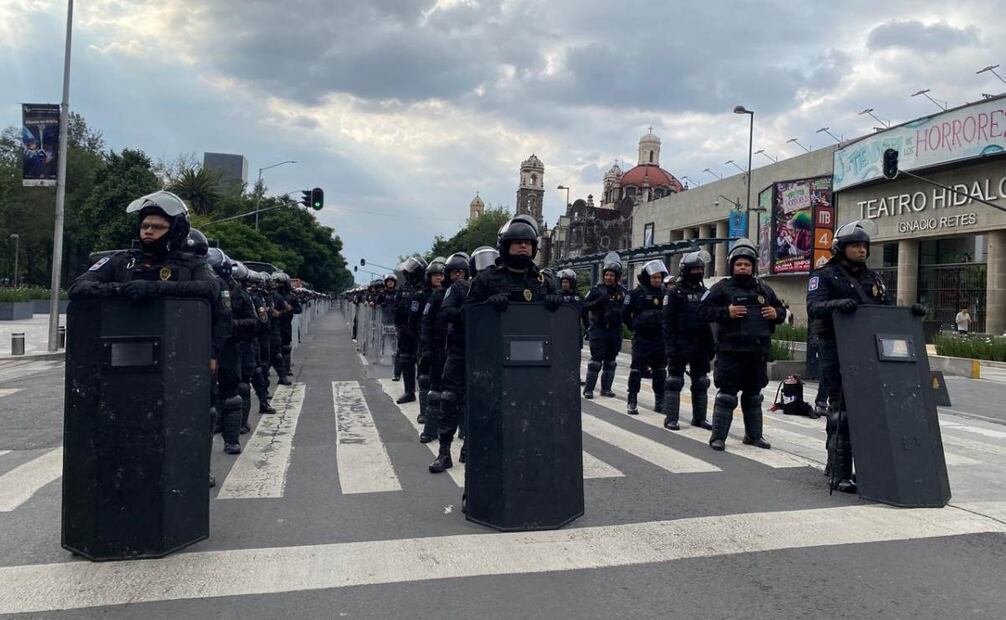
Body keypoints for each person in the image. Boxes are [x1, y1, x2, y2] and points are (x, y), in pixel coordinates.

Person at [806, 220, 920, 492]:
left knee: (868, 410)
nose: (861, 250)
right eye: (855, 245)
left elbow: (886, 310)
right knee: (842, 411)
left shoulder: (873, 278)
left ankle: (866, 468)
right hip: (836, 347)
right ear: (841, 248)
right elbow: (814, 307)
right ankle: (839, 471)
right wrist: (838, 305)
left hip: (871, 350)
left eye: (864, 246)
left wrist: (910, 314)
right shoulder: (823, 275)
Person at [698, 239, 784, 452]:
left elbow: (781, 310)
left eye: (747, 264)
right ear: (732, 266)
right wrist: (726, 312)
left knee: (754, 396)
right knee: (727, 396)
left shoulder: (764, 288)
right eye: (739, 264)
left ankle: (754, 436)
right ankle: (718, 438)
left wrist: (776, 314)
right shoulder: (721, 288)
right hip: (730, 352)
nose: (743, 267)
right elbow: (702, 311)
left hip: (756, 352)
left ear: (753, 266)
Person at [429, 246, 499, 473]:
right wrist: (471, 311)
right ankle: (444, 451)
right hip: (459, 350)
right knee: (449, 398)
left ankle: (470, 446)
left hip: (487, 352)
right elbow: (445, 312)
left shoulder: (499, 287)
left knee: (479, 401)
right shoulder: (460, 288)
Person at [662, 251, 715, 431]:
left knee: (701, 381)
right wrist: (670, 347)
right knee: (674, 381)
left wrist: (711, 346)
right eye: (694, 269)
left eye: (701, 268)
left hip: (700, 344)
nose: (698, 272)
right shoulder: (674, 292)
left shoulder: (705, 293)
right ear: (685, 270)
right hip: (679, 343)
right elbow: (667, 322)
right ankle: (671, 418)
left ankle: (699, 418)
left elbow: (710, 321)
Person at [419, 253, 468, 443]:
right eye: (454, 272)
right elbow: (426, 322)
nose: (458, 275)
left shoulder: (469, 294)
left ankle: (465, 431)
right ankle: (430, 431)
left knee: (461, 395)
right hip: (439, 350)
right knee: (436, 393)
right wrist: (426, 348)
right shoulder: (437, 296)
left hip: (458, 350)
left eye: (462, 272)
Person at [206, 247, 244, 455]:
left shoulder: (225, 291)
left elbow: (225, 321)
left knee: (231, 396)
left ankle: (231, 440)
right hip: (192, 349)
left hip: (226, 349)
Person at [622, 260, 669, 415]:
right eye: (654, 277)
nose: (657, 280)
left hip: (659, 339)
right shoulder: (636, 293)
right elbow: (625, 313)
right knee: (636, 370)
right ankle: (632, 400)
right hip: (642, 338)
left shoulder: (665, 293)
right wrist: (634, 326)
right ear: (647, 277)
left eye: (659, 277)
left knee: (660, 371)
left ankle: (660, 401)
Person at [581, 255, 628, 399]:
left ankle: (606, 389)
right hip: (599, 329)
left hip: (614, 330)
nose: (608, 277)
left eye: (611, 275)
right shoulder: (596, 290)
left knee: (611, 361)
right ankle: (589, 389)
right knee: (596, 361)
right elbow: (584, 306)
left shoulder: (622, 291)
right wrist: (598, 303)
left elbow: (628, 309)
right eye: (606, 275)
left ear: (617, 277)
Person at [415, 258, 446, 425]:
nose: (439, 278)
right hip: (426, 341)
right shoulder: (421, 296)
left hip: (444, 343)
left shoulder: (449, 293)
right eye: (436, 275)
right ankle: (424, 413)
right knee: (425, 378)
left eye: (442, 275)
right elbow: (414, 321)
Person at [394, 257, 427, 402]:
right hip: (405, 331)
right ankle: (409, 391)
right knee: (405, 359)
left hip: (421, 330)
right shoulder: (404, 287)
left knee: (424, 362)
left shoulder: (426, 287)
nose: (408, 273)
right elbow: (397, 307)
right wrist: (399, 325)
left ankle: (426, 396)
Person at [273, 272, 302, 380]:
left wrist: (290, 309)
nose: (278, 285)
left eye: (280, 283)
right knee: (273, 348)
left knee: (285, 347)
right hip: (273, 325)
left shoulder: (291, 297)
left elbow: (299, 310)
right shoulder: (271, 296)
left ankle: (286, 369)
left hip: (285, 325)